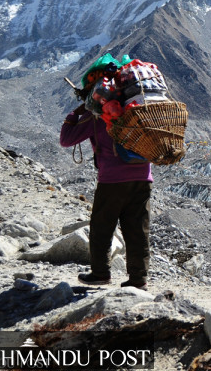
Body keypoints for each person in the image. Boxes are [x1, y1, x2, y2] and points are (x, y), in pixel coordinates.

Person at [60, 98, 152, 290]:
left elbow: (66, 139)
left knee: (102, 227)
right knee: (137, 229)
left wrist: (75, 114)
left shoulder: (98, 113)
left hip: (112, 179)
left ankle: (100, 273)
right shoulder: (141, 108)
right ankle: (138, 279)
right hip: (143, 177)